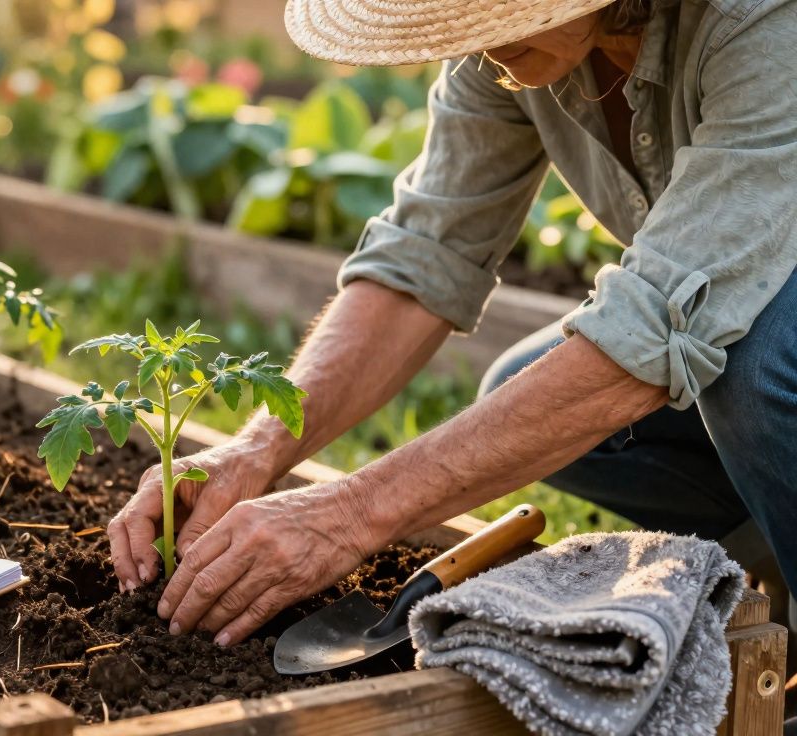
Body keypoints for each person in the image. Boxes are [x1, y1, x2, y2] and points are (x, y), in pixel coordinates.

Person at [105, 0, 797, 655]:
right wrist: (255, 450)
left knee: (752, 371)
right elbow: (426, 255)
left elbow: (651, 332)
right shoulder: (511, 42)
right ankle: (776, 569)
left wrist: (351, 515)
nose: (476, 32)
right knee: (548, 407)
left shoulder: (764, 24)